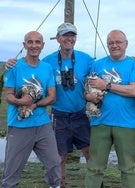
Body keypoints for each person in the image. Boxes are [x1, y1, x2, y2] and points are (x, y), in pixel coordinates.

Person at [6, 23, 94, 188]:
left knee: (91, 154)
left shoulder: (86, 59)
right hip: (58, 116)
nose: (69, 39)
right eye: (65, 35)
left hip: (80, 114)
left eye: (72, 35)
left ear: (75, 38)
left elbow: (102, 69)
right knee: (59, 159)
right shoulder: (47, 62)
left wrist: (132, 61)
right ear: (58, 38)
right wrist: (11, 63)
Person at [84, 29, 135, 188]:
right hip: (100, 122)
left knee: (128, 168)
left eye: (118, 42)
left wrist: (107, 86)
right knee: (94, 168)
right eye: (111, 42)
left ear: (126, 44)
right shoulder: (98, 64)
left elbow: (134, 91)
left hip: (126, 123)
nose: (114, 45)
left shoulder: (134, 64)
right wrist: (91, 97)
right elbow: (88, 92)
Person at [2, 31, 61, 188]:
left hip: (42, 125)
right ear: (24, 45)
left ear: (42, 45)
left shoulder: (47, 68)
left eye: (37, 42)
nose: (34, 45)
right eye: (30, 42)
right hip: (19, 126)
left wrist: (34, 104)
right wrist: (21, 101)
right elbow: (8, 95)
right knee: (11, 170)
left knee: (54, 163)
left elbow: (52, 97)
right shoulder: (14, 67)